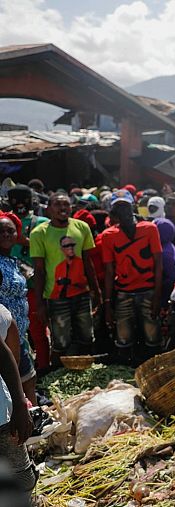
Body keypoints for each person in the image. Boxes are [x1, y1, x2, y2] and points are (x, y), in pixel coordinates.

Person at [30, 193, 100, 365]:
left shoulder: (82, 227)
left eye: (66, 205)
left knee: (86, 337)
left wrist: (96, 290)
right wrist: (39, 303)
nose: (62, 208)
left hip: (82, 295)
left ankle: (86, 370)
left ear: (71, 208)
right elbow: (39, 270)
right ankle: (58, 376)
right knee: (60, 341)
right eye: (57, 205)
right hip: (56, 298)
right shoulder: (39, 233)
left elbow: (87, 261)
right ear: (49, 209)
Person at [102, 190, 164, 365]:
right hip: (123, 292)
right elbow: (109, 270)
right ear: (113, 213)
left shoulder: (150, 229)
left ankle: (154, 371)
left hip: (148, 291)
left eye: (125, 207)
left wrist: (157, 295)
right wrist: (107, 303)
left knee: (153, 337)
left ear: (132, 207)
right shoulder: (109, 235)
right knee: (123, 339)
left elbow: (158, 263)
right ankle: (126, 376)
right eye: (118, 208)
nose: (122, 212)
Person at [6, 185, 50, 371]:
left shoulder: (41, 222)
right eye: (15, 201)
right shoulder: (5, 223)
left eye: (23, 199)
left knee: (38, 329)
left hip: (35, 285)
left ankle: (43, 367)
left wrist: (25, 242)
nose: (20, 205)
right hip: (9, 286)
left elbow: (50, 248)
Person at [0, 304, 35, 499]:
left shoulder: (4, 315)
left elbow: (5, 356)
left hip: (2, 414)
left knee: (20, 480)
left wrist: (20, 405)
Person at [0, 215, 35, 404]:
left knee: (28, 381)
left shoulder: (12, 260)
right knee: (13, 386)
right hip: (4, 337)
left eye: (10, 230)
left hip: (19, 334)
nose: (6, 234)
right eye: (1, 231)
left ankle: (34, 424)